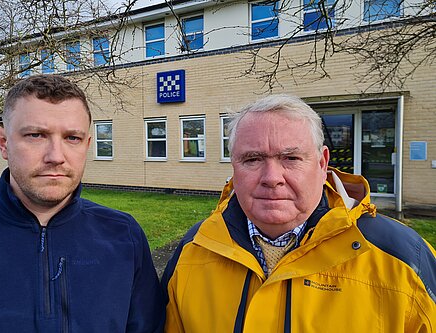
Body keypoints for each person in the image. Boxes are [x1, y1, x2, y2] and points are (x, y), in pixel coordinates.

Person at [162, 94, 435, 332]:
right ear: (234, 166)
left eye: (291, 158)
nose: (272, 178)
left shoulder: (404, 259)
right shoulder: (193, 250)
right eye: (253, 159)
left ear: (322, 162)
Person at [0, 74, 164, 332]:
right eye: (36, 135)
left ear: (87, 144)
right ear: (3, 142)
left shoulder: (125, 237)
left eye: (72, 138)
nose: (56, 156)